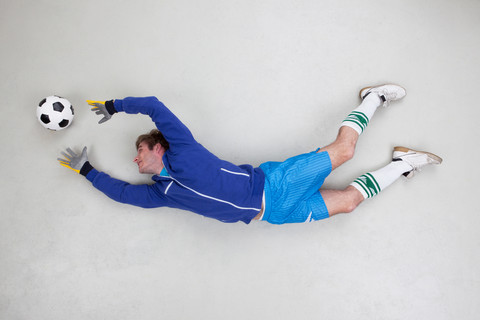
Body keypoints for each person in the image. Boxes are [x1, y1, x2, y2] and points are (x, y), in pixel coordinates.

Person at [57, 84, 442, 224]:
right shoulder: (161, 193)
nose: (136, 161)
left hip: (275, 184)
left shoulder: (185, 150)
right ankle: (402, 163)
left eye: (139, 152)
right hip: (273, 214)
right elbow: (123, 194)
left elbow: (156, 105)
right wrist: (85, 170)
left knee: (344, 150)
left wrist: (114, 104)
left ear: (158, 147)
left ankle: (372, 97)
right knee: (347, 204)